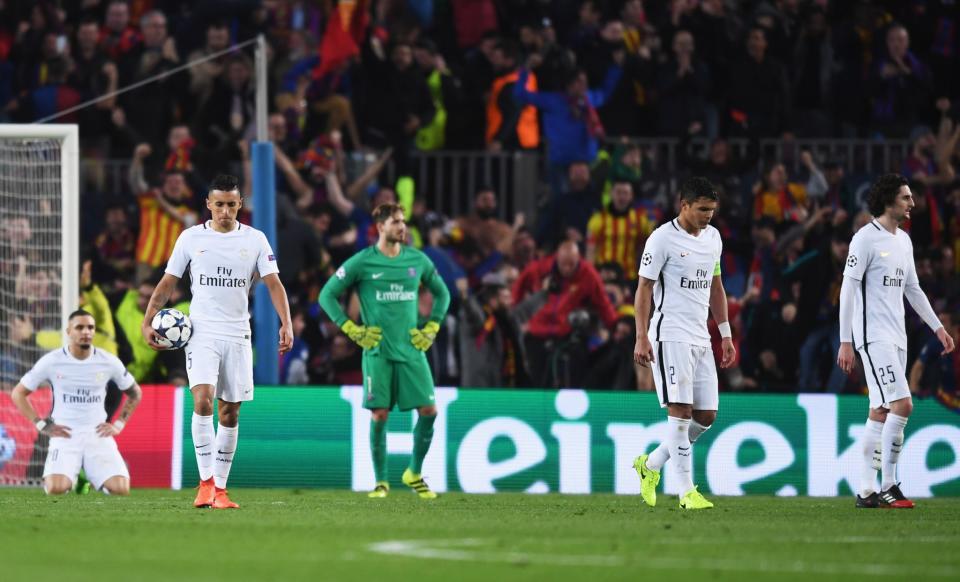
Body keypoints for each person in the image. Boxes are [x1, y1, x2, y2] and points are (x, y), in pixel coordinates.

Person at [140, 174, 293, 510]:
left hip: (238, 332)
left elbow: (274, 284)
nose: (225, 211)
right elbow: (168, 282)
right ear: (208, 204)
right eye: (219, 204)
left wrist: (287, 323)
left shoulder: (255, 240)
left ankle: (220, 489)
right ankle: (205, 482)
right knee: (204, 400)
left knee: (230, 412)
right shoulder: (191, 238)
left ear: (240, 206)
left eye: (231, 204)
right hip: (202, 331)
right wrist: (148, 319)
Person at [836, 173, 955, 509]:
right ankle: (889, 485)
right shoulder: (864, 239)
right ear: (889, 201)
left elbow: (913, 289)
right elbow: (847, 289)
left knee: (880, 410)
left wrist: (937, 328)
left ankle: (865, 490)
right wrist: (846, 341)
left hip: (897, 336)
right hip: (873, 338)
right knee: (903, 405)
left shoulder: (903, 240)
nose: (912, 203)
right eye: (906, 197)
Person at [318, 203, 451, 499]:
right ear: (380, 227)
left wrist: (432, 327)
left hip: (412, 351)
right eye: (395, 222)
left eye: (403, 222)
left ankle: (414, 472)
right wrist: (350, 328)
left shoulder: (417, 260)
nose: (402, 227)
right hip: (377, 352)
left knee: (429, 411)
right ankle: (381, 481)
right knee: (379, 415)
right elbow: (326, 294)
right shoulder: (362, 262)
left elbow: (443, 293)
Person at [632, 177, 736, 510]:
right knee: (680, 411)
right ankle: (686, 492)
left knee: (705, 416)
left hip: (701, 337)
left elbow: (716, 287)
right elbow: (644, 289)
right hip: (669, 334)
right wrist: (641, 335)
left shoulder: (714, 239)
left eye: (712, 210)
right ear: (684, 205)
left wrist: (726, 334)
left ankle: (649, 466)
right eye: (702, 209)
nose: (708, 216)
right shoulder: (661, 239)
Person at [10, 310, 142, 495]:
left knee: (120, 490)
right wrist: (41, 424)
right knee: (56, 489)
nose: (86, 332)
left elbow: (135, 392)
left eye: (90, 327)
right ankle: (76, 475)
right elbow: (18, 393)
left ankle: (85, 474)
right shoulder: (51, 361)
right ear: (68, 332)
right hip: (65, 435)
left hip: (97, 434)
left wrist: (119, 424)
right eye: (79, 327)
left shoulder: (109, 361)